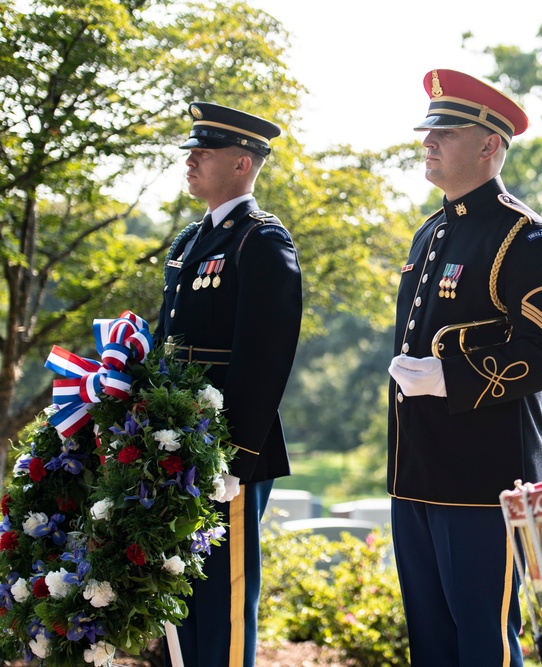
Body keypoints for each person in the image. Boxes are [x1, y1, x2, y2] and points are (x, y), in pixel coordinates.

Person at [387, 69, 542, 666]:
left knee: (484, 640)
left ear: (489, 145)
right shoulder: (431, 232)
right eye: (429, 130)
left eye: (444, 130)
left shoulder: (524, 237)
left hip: (482, 477)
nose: (428, 141)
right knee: (432, 643)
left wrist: (452, 378)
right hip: (416, 470)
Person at [156, 101, 303, 667]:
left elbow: (266, 358)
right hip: (172, 447)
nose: (191, 159)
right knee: (180, 597)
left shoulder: (261, 241)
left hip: (225, 454)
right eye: (192, 149)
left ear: (243, 163)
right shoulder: (190, 242)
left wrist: (235, 458)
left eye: (205, 150)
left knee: (224, 598)